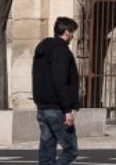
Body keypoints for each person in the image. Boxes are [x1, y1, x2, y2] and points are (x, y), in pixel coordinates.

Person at [33, 16, 81, 165]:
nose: (73, 36)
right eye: (72, 32)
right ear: (66, 32)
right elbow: (60, 81)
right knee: (70, 150)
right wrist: (67, 109)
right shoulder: (61, 51)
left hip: (43, 108)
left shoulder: (42, 50)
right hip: (56, 108)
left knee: (47, 152)